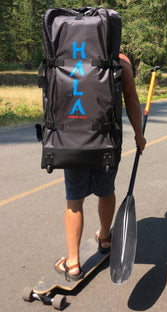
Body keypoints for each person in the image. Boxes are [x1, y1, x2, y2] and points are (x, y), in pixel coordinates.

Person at [54, 53, 146, 280]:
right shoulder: (120, 60)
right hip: (107, 141)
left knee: (74, 198)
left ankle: (73, 263)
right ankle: (105, 238)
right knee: (106, 190)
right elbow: (132, 100)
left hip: (71, 140)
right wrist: (138, 134)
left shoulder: (65, 55)